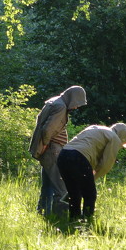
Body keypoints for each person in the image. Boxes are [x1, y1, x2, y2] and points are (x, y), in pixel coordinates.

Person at [57, 122, 126, 221]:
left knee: (74, 194)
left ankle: (74, 221)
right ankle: (87, 221)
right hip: (79, 157)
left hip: (63, 155)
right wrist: (93, 178)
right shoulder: (114, 137)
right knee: (90, 194)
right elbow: (106, 164)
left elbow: (88, 148)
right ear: (123, 136)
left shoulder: (96, 128)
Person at [28, 85, 87, 217]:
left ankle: (42, 213)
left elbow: (40, 121)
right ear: (72, 98)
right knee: (62, 189)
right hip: (52, 149)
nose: (77, 107)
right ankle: (60, 219)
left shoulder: (54, 101)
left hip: (48, 148)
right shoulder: (61, 107)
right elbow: (48, 130)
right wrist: (45, 144)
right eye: (77, 103)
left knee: (48, 186)